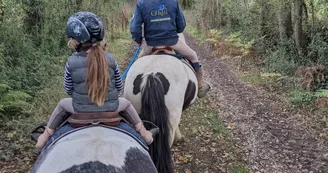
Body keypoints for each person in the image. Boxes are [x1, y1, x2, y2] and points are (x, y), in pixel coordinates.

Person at [36, 12, 153, 150]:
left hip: (80, 110)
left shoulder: (71, 62)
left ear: (76, 41)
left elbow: (68, 89)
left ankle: (45, 135)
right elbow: (119, 87)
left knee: (62, 104)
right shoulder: (110, 59)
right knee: (126, 104)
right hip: (110, 109)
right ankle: (144, 133)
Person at [130, 0, 210, 98]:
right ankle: (200, 85)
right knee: (193, 56)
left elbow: (134, 28)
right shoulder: (173, 2)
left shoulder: (141, 3)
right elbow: (181, 26)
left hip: (151, 44)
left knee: (136, 64)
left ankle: (130, 87)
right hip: (172, 43)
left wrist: (139, 40)